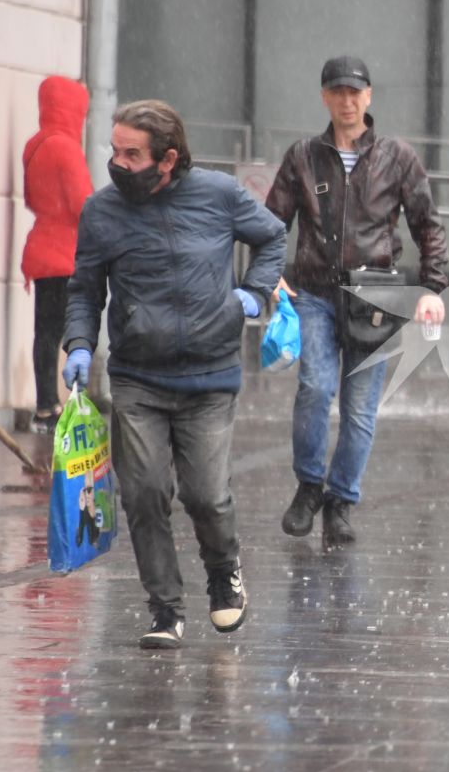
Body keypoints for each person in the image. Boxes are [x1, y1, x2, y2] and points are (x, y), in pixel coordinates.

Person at [63, 100, 287, 649]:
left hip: (210, 376)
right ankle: (165, 610)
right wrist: (79, 344)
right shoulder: (102, 212)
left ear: (167, 158)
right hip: (138, 378)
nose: (117, 162)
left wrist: (252, 296)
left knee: (207, 496)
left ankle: (223, 572)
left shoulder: (218, 195)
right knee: (143, 493)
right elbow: (84, 290)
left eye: (131, 153)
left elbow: (273, 236)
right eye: (114, 150)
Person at [266, 55, 449, 548]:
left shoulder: (397, 156)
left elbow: (428, 225)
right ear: (324, 96)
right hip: (316, 294)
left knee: (361, 410)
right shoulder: (303, 155)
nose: (347, 101)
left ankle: (341, 501)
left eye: (355, 92)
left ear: (369, 97)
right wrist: (267, 276)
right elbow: (270, 222)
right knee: (315, 388)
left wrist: (432, 288)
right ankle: (309, 487)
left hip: (376, 297)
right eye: (337, 91)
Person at [20, 76, 95, 432]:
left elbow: (31, 199)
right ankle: (59, 406)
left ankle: (45, 403)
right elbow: (85, 203)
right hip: (67, 251)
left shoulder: (34, 145)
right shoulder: (66, 147)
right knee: (74, 332)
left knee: (44, 333)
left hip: (41, 246)